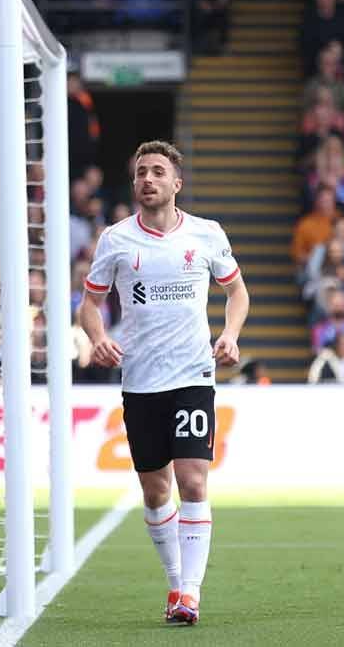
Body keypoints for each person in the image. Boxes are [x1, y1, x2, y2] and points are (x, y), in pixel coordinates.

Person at [78, 140, 249, 625]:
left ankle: (190, 594)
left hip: (194, 373)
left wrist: (230, 335)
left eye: (156, 172)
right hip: (140, 380)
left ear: (176, 183)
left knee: (193, 481)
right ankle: (175, 584)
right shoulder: (115, 239)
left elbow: (237, 293)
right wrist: (98, 337)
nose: (147, 180)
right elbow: (89, 304)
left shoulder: (207, 234)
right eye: (140, 173)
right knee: (156, 492)